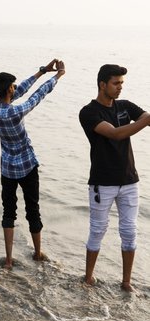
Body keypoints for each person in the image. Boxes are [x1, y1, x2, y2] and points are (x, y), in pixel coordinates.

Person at [0, 59, 66, 269]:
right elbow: (37, 95)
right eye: (12, 87)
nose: (15, 89)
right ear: (8, 90)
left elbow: (20, 90)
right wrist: (57, 75)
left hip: (7, 167)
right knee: (33, 209)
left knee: (8, 211)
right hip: (27, 166)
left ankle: (9, 259)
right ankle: (38, 254)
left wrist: (41, 71)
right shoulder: (15, 112)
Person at [79, 64, 150, 292]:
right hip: (102, 182)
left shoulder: (125, 106)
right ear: (103, 84)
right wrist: (145, 121)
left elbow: (146, 115)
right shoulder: (89, 112)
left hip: (130, 180)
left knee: (129, 231)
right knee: (98, 230)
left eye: (122, 83)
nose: (120, 87)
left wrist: (146, 118)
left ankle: (126, 282)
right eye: (116, 83)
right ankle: (88, 278)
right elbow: (115, 134)